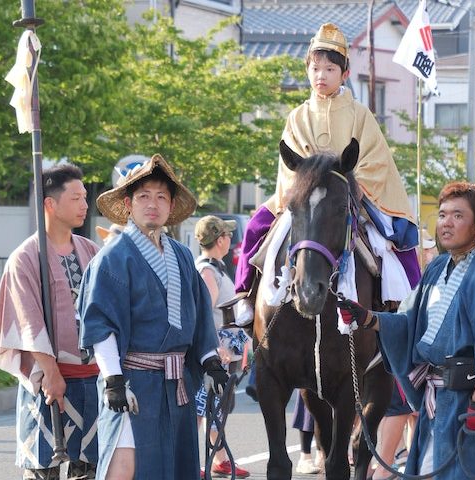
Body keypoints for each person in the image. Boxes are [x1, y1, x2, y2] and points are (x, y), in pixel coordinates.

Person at [233, 22, 420, 324]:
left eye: (331, 69)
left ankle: (408, 302)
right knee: (256, 227)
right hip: (306, 198)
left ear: (345, 74)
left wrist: (353, 185)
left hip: (352, 195)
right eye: (316, 68)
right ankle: (246, 296)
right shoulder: (297, 116)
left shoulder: (360, 114)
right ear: (307, 70)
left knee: (392, 239)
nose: (322, 76)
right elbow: (290, 163)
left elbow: (375, 159)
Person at [338, 182, 475, 479]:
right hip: (436, 401)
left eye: (457, 215)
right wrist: (368, 318)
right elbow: (408, 322)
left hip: (472, 402)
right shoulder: (438, 267)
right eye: (442, 215)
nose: (446, 223)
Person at [77, 155, 228, 480]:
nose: (153, 204)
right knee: (126, 468)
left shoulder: (183, 256)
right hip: (132, 385)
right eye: (144, 196)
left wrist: (211, 363)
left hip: (177, 387)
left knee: (177, 467)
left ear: (171, 205)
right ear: (129, 204)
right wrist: (113, 380)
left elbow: (201, 318)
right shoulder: (112, 259)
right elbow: (100, 325)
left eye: (161, 196)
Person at [0, 164, 100, 480]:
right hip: (49, 384)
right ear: (50, 204)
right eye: (76, 198)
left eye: (84, 197)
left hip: (91, 380)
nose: (85, 205)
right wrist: (50, 372)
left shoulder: (92, 251)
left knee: (90, 469)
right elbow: (27, 320)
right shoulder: (24, 258)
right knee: (42, 470)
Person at [193, 215, 250, 479]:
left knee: (214, 406)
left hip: (221, 352)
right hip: (214, 353)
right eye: (228, 235)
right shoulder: (208, 271)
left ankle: (220, 458)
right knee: (203, 408)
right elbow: (203, 313)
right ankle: (195, 461)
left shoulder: (215, 267)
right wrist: (215, 348)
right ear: (220, 239)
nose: (231, 239)